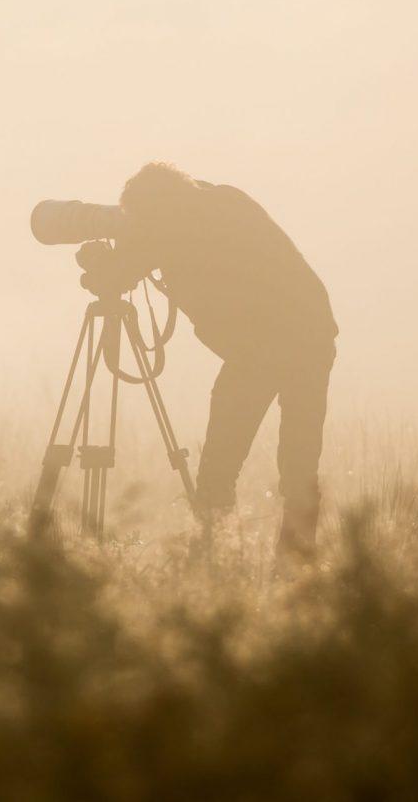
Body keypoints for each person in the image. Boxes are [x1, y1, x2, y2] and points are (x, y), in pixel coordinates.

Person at [106, 163, 338, 563]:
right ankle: (265, 564)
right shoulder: (211, 209)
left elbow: (168, 262)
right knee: (275, 466)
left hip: (284, 342)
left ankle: (238, 563)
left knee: (239, 467)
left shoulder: (196, 225)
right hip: (286, 341)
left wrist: (118, 265)